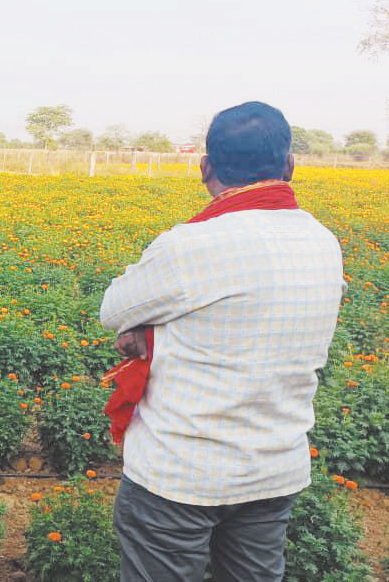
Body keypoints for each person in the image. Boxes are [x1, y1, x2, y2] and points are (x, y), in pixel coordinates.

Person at [100, 101, 345, 581]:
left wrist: (147, 331)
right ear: (290, 166)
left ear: (205, 168)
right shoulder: (324, 243)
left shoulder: (190, 246)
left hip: (180, 473)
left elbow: (114, 309)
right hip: (272, 469)